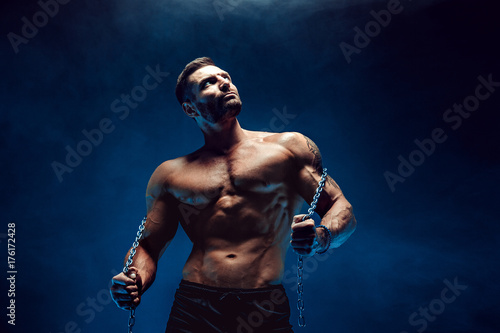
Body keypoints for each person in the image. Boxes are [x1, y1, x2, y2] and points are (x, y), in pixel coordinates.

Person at [110, 57, 357, 332]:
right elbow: (148, 246)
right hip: (194, 306)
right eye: (209, 83)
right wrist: (134, 280)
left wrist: (322, 237)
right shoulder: (171, 174)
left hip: (263, 305)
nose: (224, 82)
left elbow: (339, 205)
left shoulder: (288, 148)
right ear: (190, 108)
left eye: (225, 76)